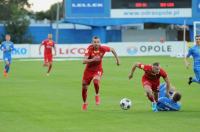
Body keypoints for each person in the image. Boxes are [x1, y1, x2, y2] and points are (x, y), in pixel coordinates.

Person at [82, 36, 120, 111]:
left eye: (98, 42)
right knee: (84, 87)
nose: (96, 44)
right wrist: (93, 59)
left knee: (96, 81)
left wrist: (117, 60)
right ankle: (85, 103)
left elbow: (112, 50)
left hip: (98, 69)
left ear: (100, 43)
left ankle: (97, 95)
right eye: (95, 42)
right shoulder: (89, 49)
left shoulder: (103, 48)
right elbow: (84, 61)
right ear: (92, 43)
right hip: (88, 71)